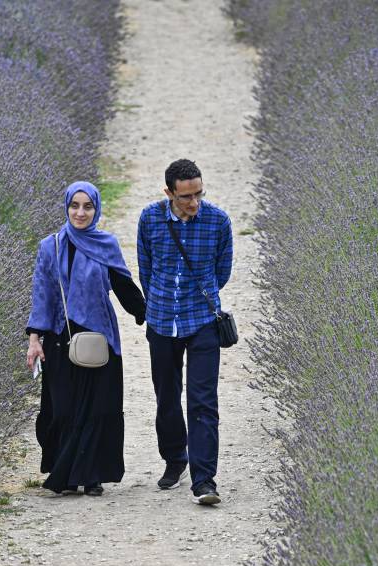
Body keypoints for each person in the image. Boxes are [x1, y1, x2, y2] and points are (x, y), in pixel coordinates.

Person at [26, 181, 145, 496]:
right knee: (63, 409)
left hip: (99, 336)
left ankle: (92, 476)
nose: (80, 212)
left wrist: (149, 316)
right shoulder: (50, 246)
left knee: (98, 408)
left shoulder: (106, 244)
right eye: (74, 206)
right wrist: (34, 338)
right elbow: (43, 294)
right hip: (59, 337)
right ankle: (65, 474)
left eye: (87, 206)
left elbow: (124, 286)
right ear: (66, 207)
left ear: (96, 209)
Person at [136, 159, 233, 505]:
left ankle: (204, 480)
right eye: (186, 197)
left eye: (198, 194)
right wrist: (160, 302)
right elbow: (145, 269)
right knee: (166, 396)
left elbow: (222, 272)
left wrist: (196, 296)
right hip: (161, 319)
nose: (194, 202)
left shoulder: (218, 221)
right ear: (169, 194)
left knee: (203, 402)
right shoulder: (149, 219)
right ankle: (175, 458)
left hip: (203, 320)